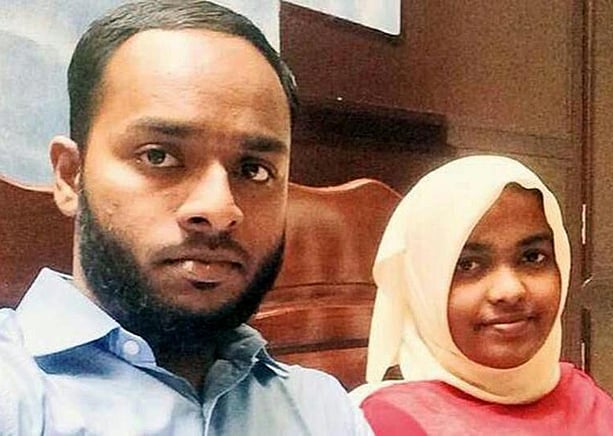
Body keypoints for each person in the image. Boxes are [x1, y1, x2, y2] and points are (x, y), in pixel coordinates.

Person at [0, 1, 372, 434]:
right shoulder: (15, 389)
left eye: (253, 170)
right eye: (158, 156)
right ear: (70, 176)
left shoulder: (321, 409)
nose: (218, 209)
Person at [350, 155, 613, 435]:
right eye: (468, 265)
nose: (510, 291)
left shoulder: (580, 395)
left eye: (533, 257)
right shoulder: (387, 424)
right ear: (422, 285)